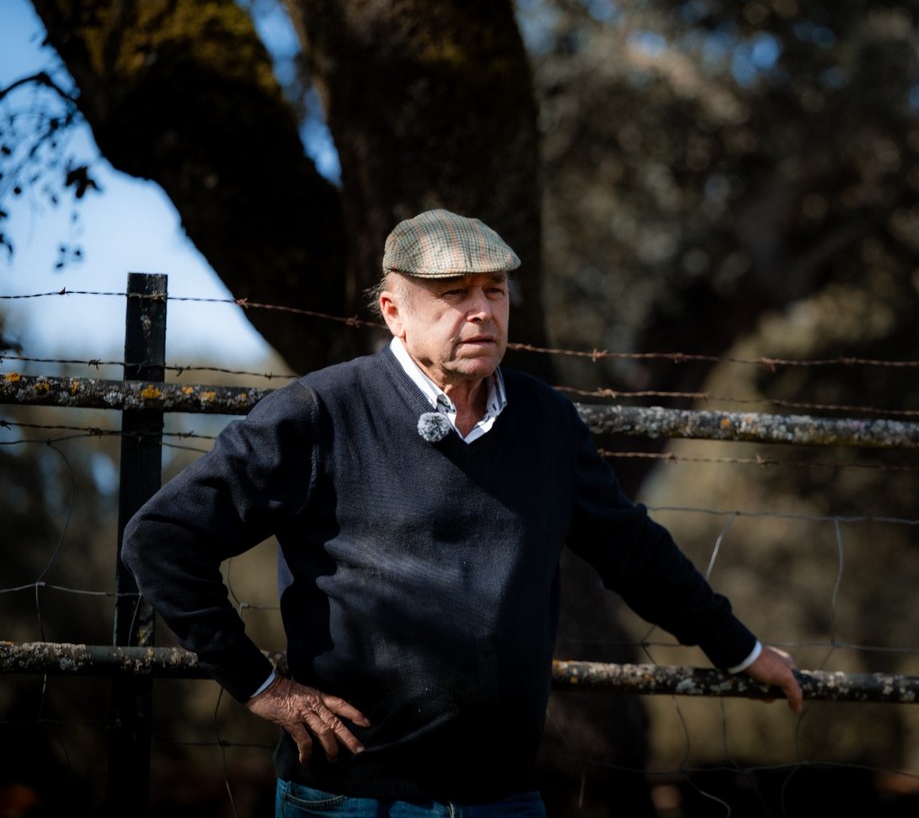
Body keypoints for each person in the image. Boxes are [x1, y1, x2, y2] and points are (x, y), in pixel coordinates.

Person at [122, 208, 802, 817]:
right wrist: (262, 686)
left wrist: (738, 650)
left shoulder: (546, 422)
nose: (482, 312)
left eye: (494, 291)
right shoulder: (319, 413)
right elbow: (162, 540)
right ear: (393, 311)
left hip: (503, 798)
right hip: (350, 799)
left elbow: (631, 550)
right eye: (453, 295)